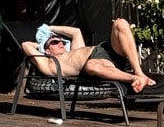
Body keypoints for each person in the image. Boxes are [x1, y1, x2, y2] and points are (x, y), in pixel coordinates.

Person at [22, 18, 154, 94]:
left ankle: (139, 72)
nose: (61, 43)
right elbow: (25, 45)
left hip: (104, 49)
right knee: (92, 65)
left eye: (61, 41)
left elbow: (76, 32)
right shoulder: (50, 65)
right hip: (98, 64)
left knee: (120, 23)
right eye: (55, 42)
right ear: (47, 51)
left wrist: (50, 29)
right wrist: (41, 44)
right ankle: (134, 78)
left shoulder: (73, 50)